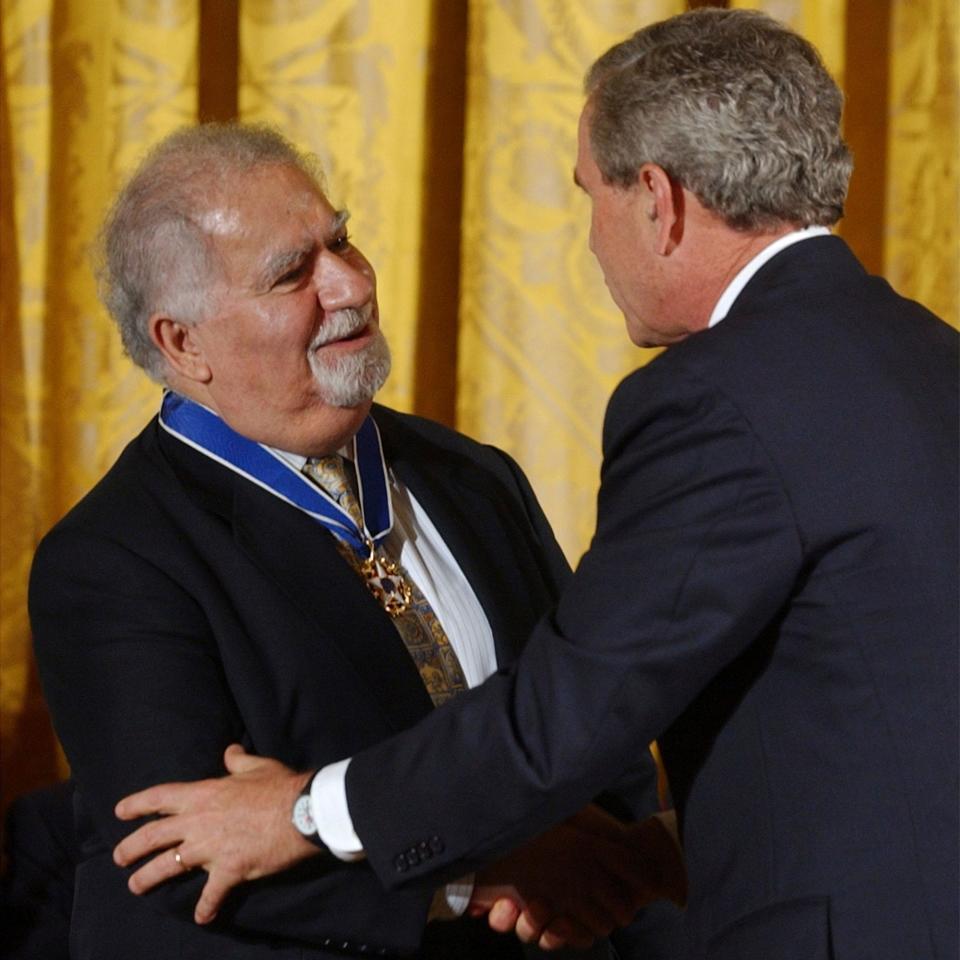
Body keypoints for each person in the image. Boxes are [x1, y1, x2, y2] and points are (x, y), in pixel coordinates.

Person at [112, 8, 958, 960]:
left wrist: (308, 810)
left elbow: (573, 711)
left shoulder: (712, 400)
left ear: (659, 200)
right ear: (179, 343)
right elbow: (860, 707)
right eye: (290, 272)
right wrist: (653, 857)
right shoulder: (927, 356)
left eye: (589, 195)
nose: (593, 242)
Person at [28, 124, 685, 959]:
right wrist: (482, 877)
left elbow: (602, 737)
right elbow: (185, 862)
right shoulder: (112, 562)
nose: (348, 285)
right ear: (183, 344)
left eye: (340, 241)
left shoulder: (475, 477)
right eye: (290, 274)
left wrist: (621, 882)